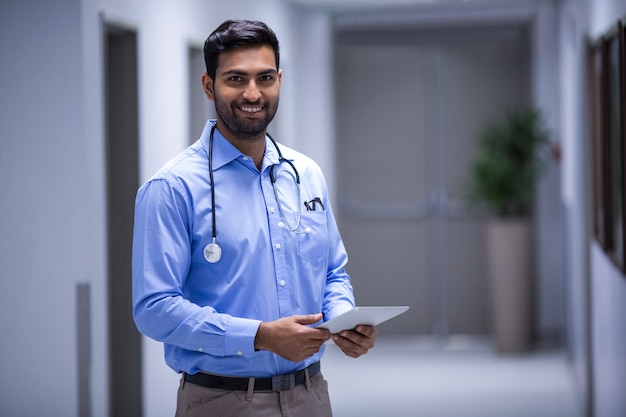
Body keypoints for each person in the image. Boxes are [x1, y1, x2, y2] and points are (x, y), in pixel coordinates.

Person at [132, 19, 378, 417]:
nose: (252, 93)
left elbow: (333, 271)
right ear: (209, 86)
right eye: (236, 79)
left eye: (264, 78)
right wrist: (260, 337)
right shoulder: (173, 187)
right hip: (221, 401)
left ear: (279, 79)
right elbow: (154, 308)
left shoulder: (306, 175)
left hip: (311, 396)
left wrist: (342, 320)